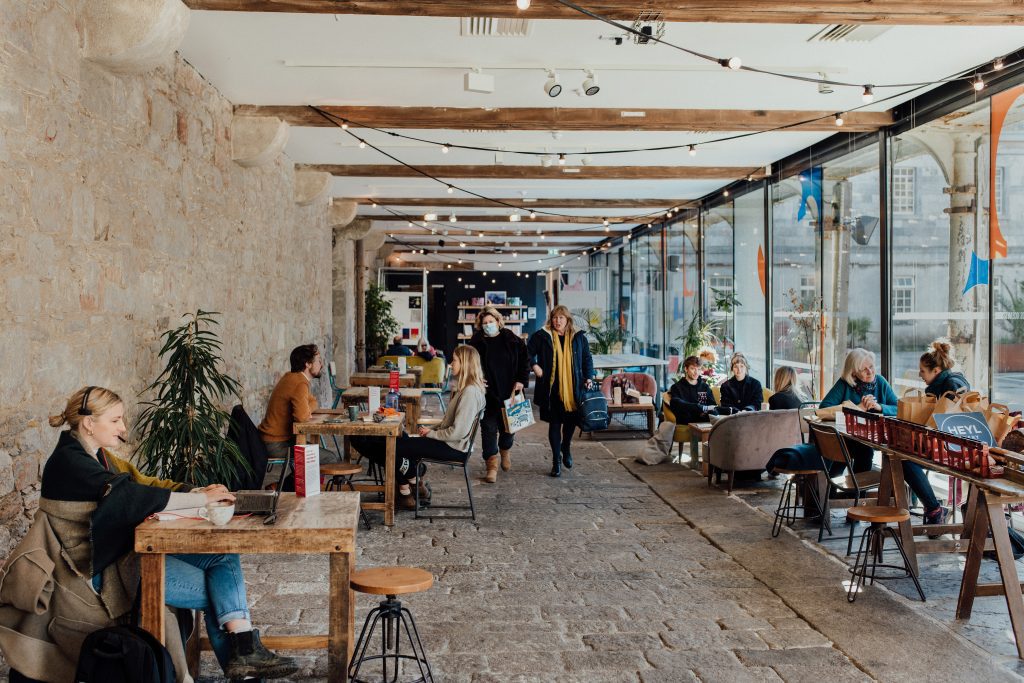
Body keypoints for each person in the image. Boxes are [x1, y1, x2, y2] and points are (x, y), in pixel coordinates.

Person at [7, 386, 297, 681]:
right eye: (116, 419)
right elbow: (133, 496)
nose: (123, 427)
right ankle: (245, 662)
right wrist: (202, 501)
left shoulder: (98, 457)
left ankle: (244, 653)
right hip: (103, 570)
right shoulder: (70, 463)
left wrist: (195, 491)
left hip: (124, 552)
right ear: (89, 423)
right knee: (219, 593)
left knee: (221, 555)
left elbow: (142, 482)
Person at [350, 345, 486, 510]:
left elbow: (457, 432)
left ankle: (407, 489)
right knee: (399, 439)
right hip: (451, 443)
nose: (451, 363)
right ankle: (412, 481)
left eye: (455, 360)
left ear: (465, 364)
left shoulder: (470, 393)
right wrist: (430, 430)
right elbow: (448, 424)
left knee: (392, 446)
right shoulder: (467, 390)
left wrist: (431, 434)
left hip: (454, 448)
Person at [527, 305, 596, 478]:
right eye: (555, 318)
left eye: (561, 318)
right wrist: (535, 366)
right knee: (554, 424)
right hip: (551, 389)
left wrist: (589, 377)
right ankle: (556, 461)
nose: (558, 321)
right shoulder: (543, 336)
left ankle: (566, 447)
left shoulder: (578, 337)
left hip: (574, 388)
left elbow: (587, 358)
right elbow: (526, 352)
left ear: (567, 320)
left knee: (570, 422)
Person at [910, 340, 971, 528]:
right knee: (902, 457)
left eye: (922, 370)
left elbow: (949, 422)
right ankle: (934, 509)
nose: (920, 374)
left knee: (903, 460)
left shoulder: (949, 386)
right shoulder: (948, 382)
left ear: (936, 371)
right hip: (953, 444)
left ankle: (934, 509)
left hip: (954, 449)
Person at [470, 306, 528, 483]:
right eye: (485, 322)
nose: (488, 325)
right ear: (480, 325)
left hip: (510, 392)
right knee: (488, 429)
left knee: (509, 430)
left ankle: (505, 450)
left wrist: (521, 380)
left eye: (491, 321)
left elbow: (525, 359)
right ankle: (492, 466)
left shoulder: (511, 338)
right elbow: (469, 364)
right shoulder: (476, 342)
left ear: (498, 321)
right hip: (487, 394)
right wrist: (476, 378)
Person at [258, 344, 338, 469]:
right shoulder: (300, 383)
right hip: (276, 444)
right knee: (330, 457)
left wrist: (307, 408)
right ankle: (289, 486)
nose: (321, 365)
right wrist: (307, 410)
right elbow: (302, 417)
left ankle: (291, 485)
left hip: (272, 441)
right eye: (318, 361)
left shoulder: (292, 377)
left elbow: (314, 402)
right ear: (308, 364)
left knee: (315, 453)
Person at [819, 348, 898, 474]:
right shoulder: (845, 384)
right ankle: (855, 491)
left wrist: (880, 407)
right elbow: (824, 408)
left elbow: (898, 408)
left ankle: (852, 490)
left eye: (871, 366)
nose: (870, 371)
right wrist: (858, 408)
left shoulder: (881, 382)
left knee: (892, 451)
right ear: (854, 373)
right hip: (848, 437)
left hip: (876, 436)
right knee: (862, 451)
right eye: (864, 369)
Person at [668, 355, 717, 424]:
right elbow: (677, 405)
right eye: (693, 368)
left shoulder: (705, 387)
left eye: (699, 369)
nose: (696, 372)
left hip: (704, 421)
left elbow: (712, 405)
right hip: (687, 422)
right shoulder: (676, 387)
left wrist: (704, 411)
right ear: (686, 369)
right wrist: (698, 408)